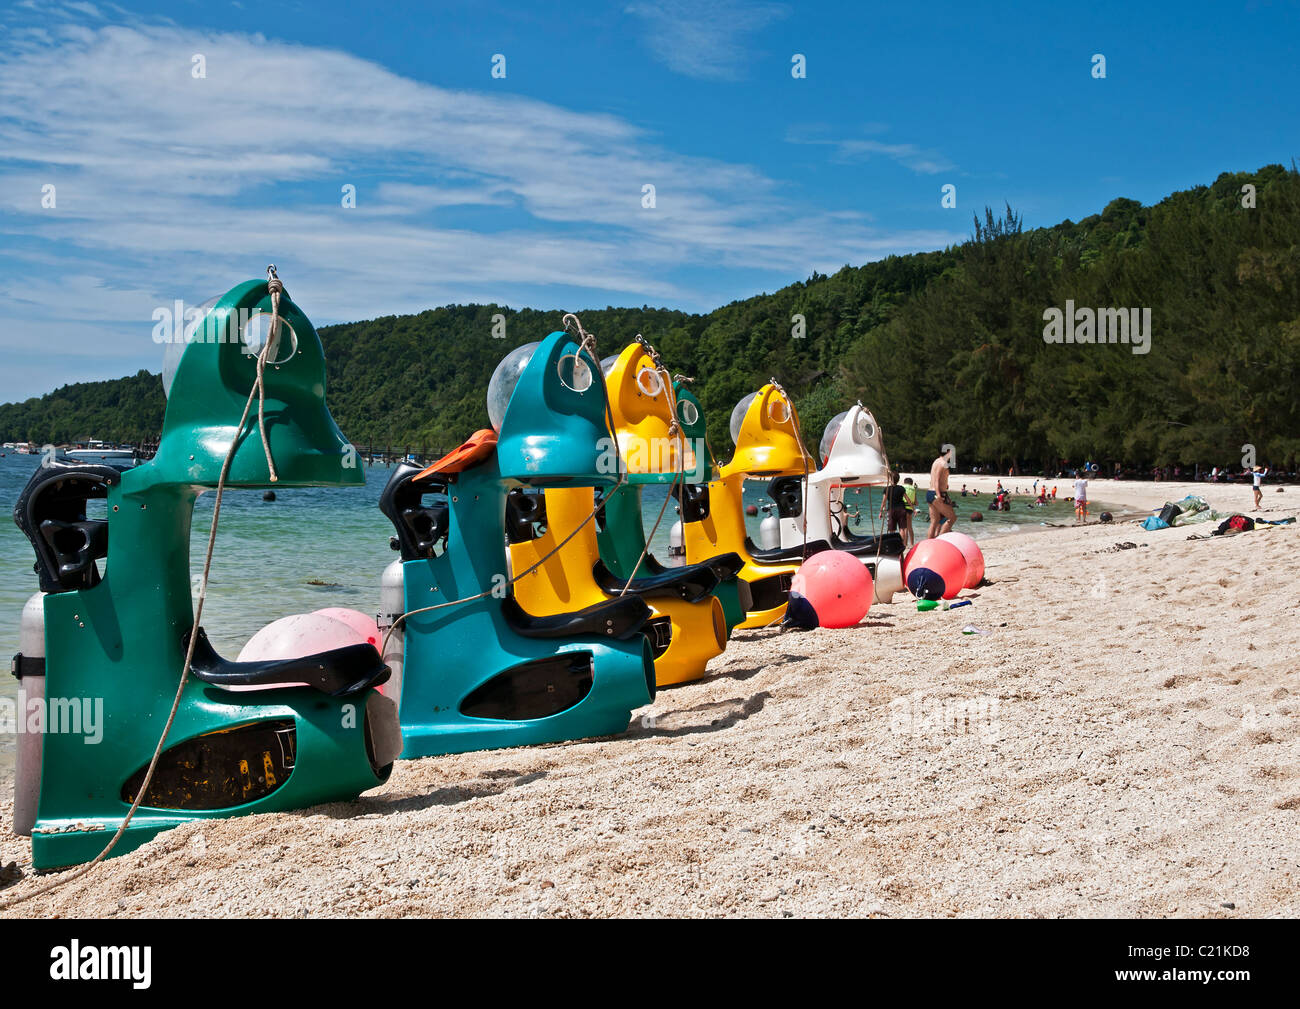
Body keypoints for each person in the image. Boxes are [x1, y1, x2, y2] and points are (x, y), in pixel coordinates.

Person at [927, 447, 957, 537]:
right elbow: (937, 480)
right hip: (938, 493)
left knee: (934, 522)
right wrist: (939, 495)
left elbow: (935, 480)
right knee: (952, 518)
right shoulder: (943, 463)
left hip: (930, 493)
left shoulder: (936, 461)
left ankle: (930, 544)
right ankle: (940, 540)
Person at [880, 471, 907, 536]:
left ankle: (893, 544)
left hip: (891, 510)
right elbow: (907, 499)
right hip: (901, 509)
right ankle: (902, 545)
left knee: (891, 529)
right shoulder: (901, 488)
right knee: (902, 528)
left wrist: (880, 511)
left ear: (890, 479)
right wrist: (913, 508)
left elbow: (883, 501)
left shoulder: (887, 489)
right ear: (898, 480)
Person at [901, 477, 917, 547]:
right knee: (910, 527)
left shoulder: (902, 487)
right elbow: (916, 502)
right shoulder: (913, 489)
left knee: (904, 527)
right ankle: (912, 543)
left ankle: (905, 544)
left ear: (904, 482)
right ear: (911, 483)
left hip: (902, 508)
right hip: (910, 509)